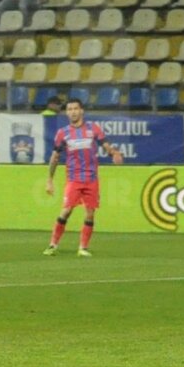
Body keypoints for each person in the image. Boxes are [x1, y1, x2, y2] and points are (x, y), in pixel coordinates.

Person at [43, 98, 124, 257]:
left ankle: (83, 248)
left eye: (75, 108)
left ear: (82, 111)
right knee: (66, 211)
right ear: (67, 112)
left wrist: (114, 154)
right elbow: (55, 157)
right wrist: (50, 180)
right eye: (69, 109)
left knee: (90, 213)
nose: (73, 112)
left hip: (91, 179)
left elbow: (106, 145)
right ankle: (53, 245)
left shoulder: (93, 129)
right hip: (73, 179)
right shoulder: (63, 133)